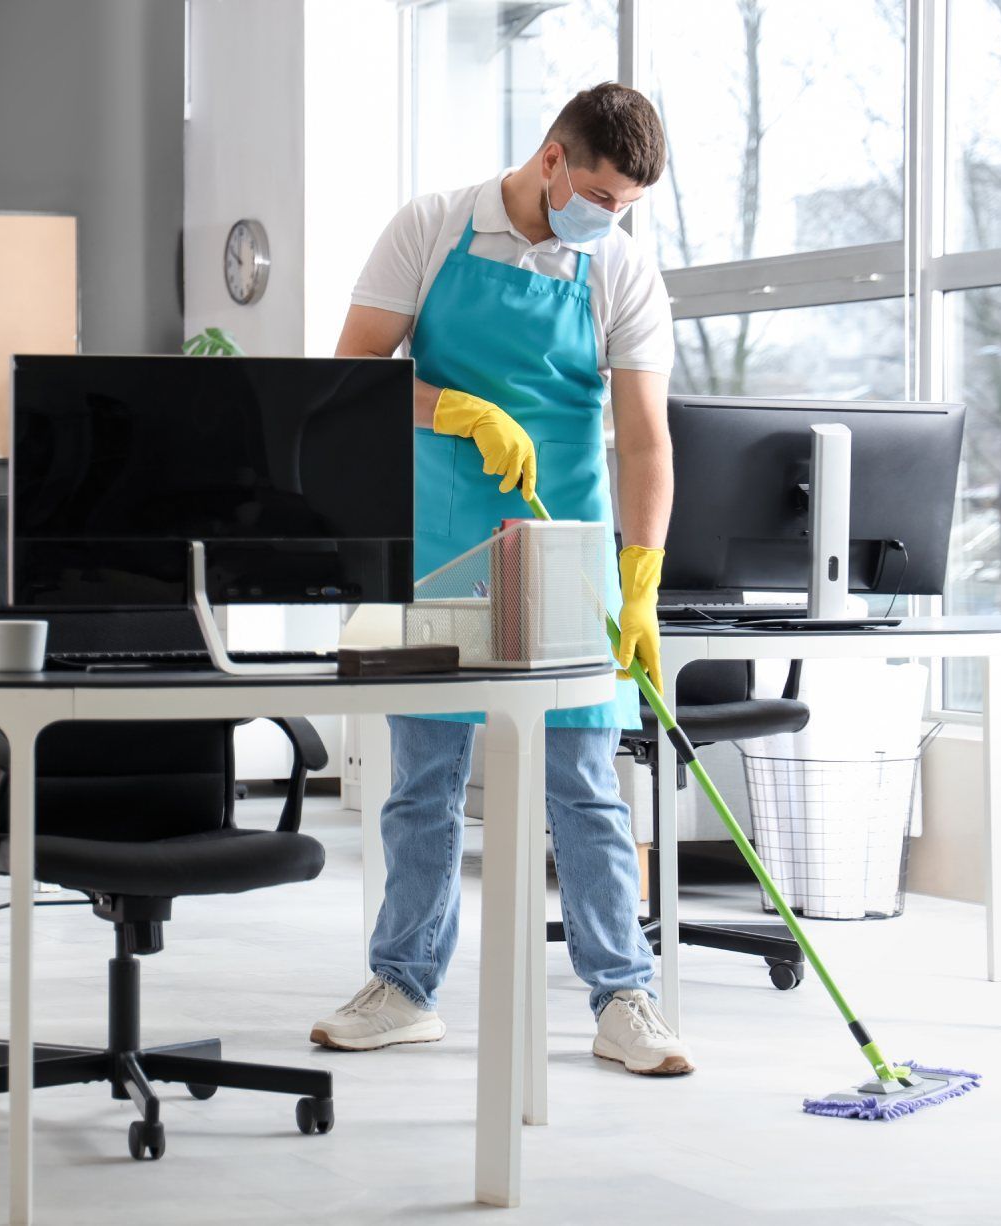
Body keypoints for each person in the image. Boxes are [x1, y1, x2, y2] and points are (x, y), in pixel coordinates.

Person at [312, 84, 690, 1075]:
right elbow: (351, 375)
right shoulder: (433, 228)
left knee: (586, 785)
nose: (611, 221)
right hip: (438, 536)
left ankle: (625, 999)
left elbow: (646, 441)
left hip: (566, 545)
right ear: (554, 158)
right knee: (424, 780)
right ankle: (403, 983)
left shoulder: (621, 270)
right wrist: (459, 412)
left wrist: (640, 577)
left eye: (630, 209)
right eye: (602, 197)